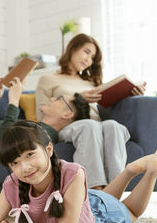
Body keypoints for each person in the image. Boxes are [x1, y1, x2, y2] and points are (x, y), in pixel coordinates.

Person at [0, 121, 157, 223]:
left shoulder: (72, 172)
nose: (24, 167)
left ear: (49, 149)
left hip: (99, 213)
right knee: (105, 199)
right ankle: (130, 170)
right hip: (84, 200)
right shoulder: (11, 184)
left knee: (131, 212)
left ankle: (151, 170)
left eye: (30, 155)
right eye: (15, 162)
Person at [35, 33, 147, 189]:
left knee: (113, 126)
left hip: (96, 124)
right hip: (70, 125)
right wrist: (78, 97)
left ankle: (116, 189)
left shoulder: (91, 82)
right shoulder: (48, 79)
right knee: (89, 126)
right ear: (73, 49)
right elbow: (42, 114)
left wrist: (130, 93)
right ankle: (94, 191)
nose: (88, 60)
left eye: (92, 57)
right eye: (86, 52)